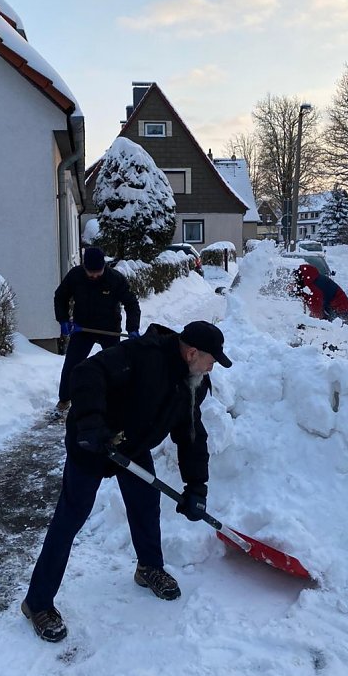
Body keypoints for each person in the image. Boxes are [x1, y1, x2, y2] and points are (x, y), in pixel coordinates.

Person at [21, 320, 232, 642]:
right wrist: (91, 423)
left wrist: (196, 486)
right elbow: (86, 373)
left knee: (146, 505)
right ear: (192, 353)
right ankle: (37, 603)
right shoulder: (142, 354)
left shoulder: (194, 383)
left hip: (132, 446)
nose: (212, 366)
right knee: (71, 517)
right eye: (211, 359)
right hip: (92, 443)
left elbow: (190, 435)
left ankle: (148, 567)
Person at [54, 246, 141, 413]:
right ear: (84, 267)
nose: (94, 276)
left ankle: (118, 403)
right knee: (72, 365)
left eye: (98, 272)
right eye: (90, 272)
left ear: (104, 267)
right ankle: (64, 399)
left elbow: (131, 304)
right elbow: (61, 295)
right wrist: (63, 319)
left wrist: (133, 328)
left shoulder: (115, 279)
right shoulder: (76, 276)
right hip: (82, 329)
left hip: (109, 329)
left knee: (115, 368)